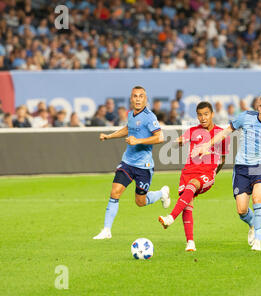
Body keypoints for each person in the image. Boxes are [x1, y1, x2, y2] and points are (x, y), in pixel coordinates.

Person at [191, 93, 261, 251]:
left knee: (257, 198)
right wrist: (206, 145)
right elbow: (225, 131)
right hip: (242, 167)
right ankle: (252, 223)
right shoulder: (245, 117)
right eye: (260, 106)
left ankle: (258, 240)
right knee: (241, 210)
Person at [93, 86, 171, 240]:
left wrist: (138, 141)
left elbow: (160, 137)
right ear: (131, 99)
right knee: (115, 192)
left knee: (140, 202)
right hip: (127, 162)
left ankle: (162, 193)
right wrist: (109, 136)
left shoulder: (150, 117)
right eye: (135, 96)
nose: (138, 99)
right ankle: (107, 230)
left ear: (145, 99)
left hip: (144, 166)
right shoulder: (131, 115)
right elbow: (128, 129)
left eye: (141, 96)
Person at [158, 101, 230, 251]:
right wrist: (175, 142)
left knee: (192, 185)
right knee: (187, 205)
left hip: (205, 174)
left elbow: (223, 158)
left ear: (212, 114)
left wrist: (214, 173)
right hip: (188, 172)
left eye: (206, 114)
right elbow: (178, 141)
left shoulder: (221, 134)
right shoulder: (192, 131)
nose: (203, 118)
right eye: (199, 115)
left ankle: (170, 217)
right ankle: (190, 243)